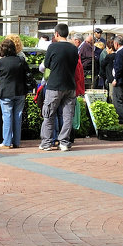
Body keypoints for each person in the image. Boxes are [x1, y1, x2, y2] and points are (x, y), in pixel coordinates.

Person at [39, 23, 79, 152]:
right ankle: (64, 142)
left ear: (56, 33)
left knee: (49, 114)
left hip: (55, 85)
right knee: (68, 116)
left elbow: (47, 64)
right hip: (70, 85)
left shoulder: (53, 47)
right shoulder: (74, 48)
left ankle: (46, 143)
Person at [0, 38, 27, 148]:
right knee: (18, 116)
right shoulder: (21, 60)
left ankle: (7, 142)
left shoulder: (0, 62)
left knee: (7, 116)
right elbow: (27, 73)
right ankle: (16, 141)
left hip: (6, 92)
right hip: (20, 91)